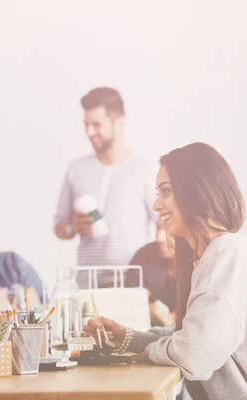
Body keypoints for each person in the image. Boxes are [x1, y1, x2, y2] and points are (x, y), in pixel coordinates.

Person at [84, 143, 247, 399]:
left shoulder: (228, 253)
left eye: (166, 192)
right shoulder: (205, 258)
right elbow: (188, 337)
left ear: (197, 192)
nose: (156, 205)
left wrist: (145, 349)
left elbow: (194, 354)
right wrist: (129, 337)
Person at [54, 87, 157, 287]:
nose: (89, 132)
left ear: (119, 123)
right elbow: (59, 226)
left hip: (132, 282)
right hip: (86, 283)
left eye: (96, 124)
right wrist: (72, 227)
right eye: (86, 125)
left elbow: (163, 224)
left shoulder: (146, 169)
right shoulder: (77, 169)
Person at [127, 215, 176, 325]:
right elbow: (130, 302)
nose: (159, 238)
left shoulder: (202, 261)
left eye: (167, 229)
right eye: (158, 228)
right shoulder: (144, 256)